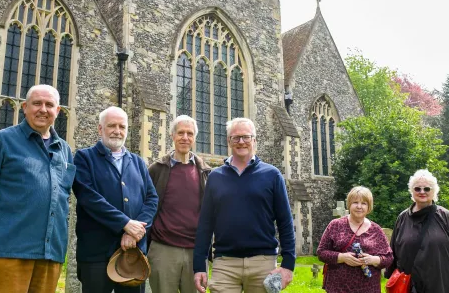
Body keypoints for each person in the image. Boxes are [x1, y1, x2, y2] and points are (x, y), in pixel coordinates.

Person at [0, 84, 74, 293]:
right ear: (25, 107)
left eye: (49, 105)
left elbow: (62, 198)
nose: (43, 109)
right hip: (8, 251)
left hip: (50, 254)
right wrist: (0, 226)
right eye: (37, 103)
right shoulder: (3, 141)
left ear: (57, 111)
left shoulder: (65, 151)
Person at [193, 117, 295, 293]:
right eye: (236, 137)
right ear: (228, 141)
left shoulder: (272, 175)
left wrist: (288, 265)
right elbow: (205, 224)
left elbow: (285, 222)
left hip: (263, 263)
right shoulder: (215, 177)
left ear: (254, 140)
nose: (241, 142)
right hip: (225, 264)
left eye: (246, 137)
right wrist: (199, 266)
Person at [73, 106, 158, 293]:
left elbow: (151, 199)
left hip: (133, 251)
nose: (117, 131)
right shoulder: (84, 158)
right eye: (112, 125)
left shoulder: (137, 162)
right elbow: (89, 198)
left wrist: (135, 232)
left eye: (122, 126)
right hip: (96, 251)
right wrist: (125, 223)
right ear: (100, 129)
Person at [147, 115, 211, 293]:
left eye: (189, 133)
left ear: (194, 138)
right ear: (172, 135)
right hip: (163, 250)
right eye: (180, 133)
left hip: (196, 251)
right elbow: (146, 205)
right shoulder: (156, 169)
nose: (185, 137)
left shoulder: (206, 172)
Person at [386, 169, 449, 293]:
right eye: (417, 189)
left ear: (434, 191)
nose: (422, 192)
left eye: (427, 189)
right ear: (412, 191)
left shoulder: (445, 216)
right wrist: (391, 277)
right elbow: (393, 252)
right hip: (411, 285)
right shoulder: (402, 218)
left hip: (440, 283)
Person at [316, 186, 393, 293]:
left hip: (368, 288)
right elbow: (321, 252)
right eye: (355, 202)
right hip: (338, 288)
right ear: (349, 204)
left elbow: (388, 258)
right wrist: (342, 257)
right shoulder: (335, 225)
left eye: (364, 203)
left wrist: (373, 260)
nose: (359, 206)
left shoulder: (376, 230)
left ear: (369, 207)